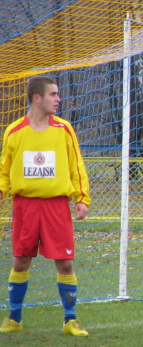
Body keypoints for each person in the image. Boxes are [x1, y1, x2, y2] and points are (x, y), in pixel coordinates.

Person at [0, 75, 91, 336]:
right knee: (20, 261)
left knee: (65, 263)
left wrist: (82, 198)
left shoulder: (64, 129)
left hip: (56, 206)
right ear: (36, 98)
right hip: (25, 206)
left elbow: (76, 166)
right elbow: (4, 169)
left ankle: (70, 320)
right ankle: (14, 318)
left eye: (58, 94)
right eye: (53, 94)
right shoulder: (15, 132)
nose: (58, 99)